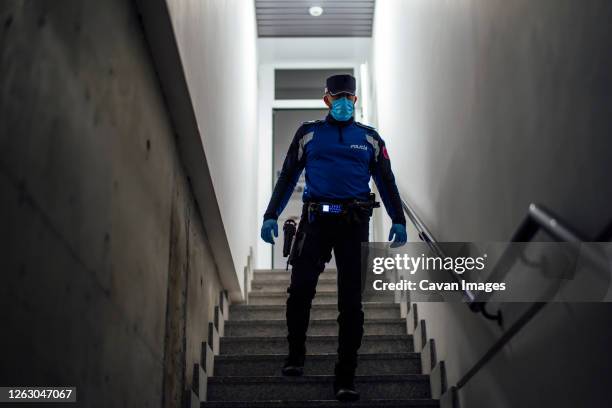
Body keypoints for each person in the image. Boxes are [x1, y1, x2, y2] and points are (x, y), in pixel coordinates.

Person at [260, 74, 407, 402]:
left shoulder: (370, 139)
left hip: (354, 224)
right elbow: (288, 175)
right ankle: (295, 356)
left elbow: (386, 180)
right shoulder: (309, 133)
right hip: (315, 221)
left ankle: (345, 376)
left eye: (348, 98)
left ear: (355, 101)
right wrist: (272, 213)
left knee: (351, 302)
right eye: (337, 97)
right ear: (326, 99)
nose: (343, 102)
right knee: (299, 291)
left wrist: (398, 218)